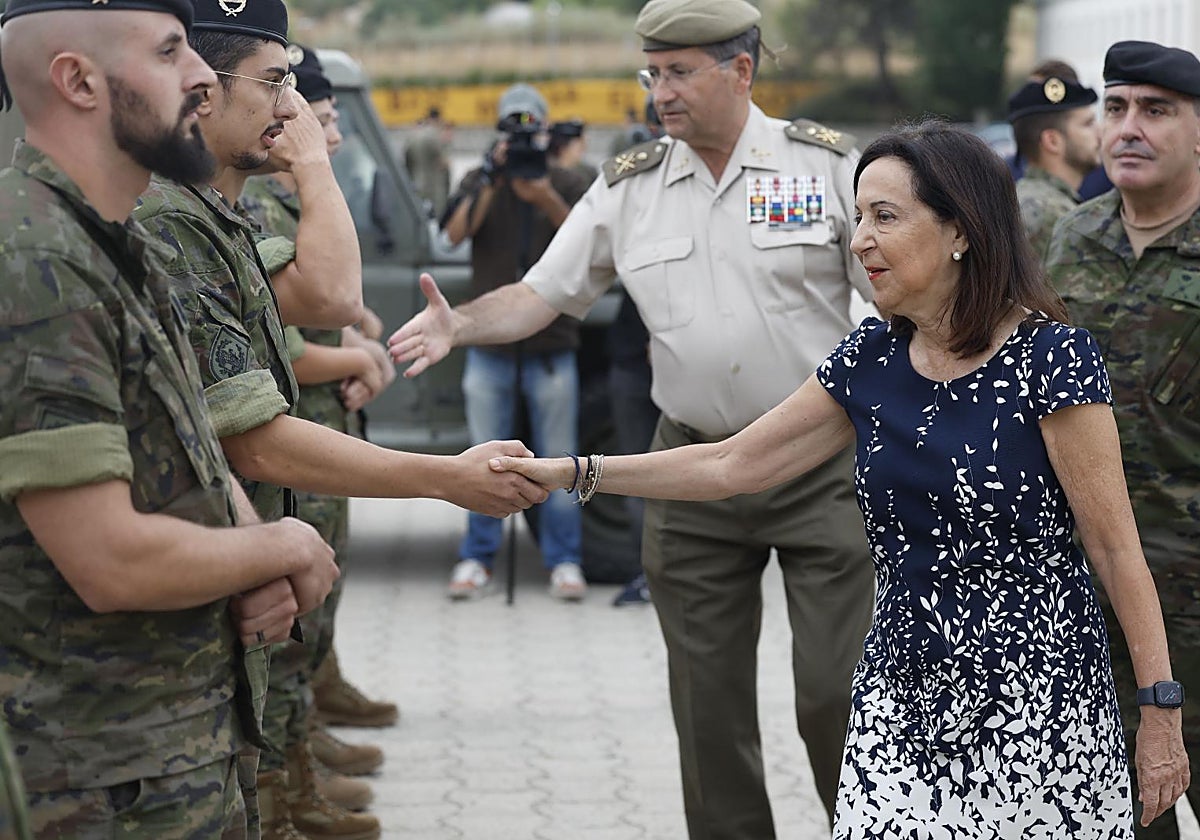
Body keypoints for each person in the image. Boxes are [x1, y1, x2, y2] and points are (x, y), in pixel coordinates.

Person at [493, 119, 1191, 838]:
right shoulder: (870, 360)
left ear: (961, 231)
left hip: (1039, 707)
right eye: (858, 217)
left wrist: (1158, 710)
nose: (858, 240)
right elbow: (731, 462)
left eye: (884, 218)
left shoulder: (1053, 360)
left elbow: (1113, 549)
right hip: (900, 704)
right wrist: (576, 472)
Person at [389, 0, 876, 833]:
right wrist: (460, 323)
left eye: (680, 72)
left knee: (840, 693)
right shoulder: (632, 189)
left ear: (742, 70)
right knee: (707, 711)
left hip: (817, 463)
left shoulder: (823, 169)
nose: (660, 92)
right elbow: (544, 293)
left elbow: (894, 299)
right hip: (687, 472)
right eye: (652, 73)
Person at [131, 3, 547, 837]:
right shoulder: (169, 219)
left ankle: (288, 796)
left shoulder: (210, 215)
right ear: (205, 91)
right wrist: (444, 478)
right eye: (278, 83)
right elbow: (255, 424)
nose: (292, 109)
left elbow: (324, 305)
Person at [0, 0, 341, 836]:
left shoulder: (112, 241)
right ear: (78, 80)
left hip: (171, 756)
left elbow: (194, 441)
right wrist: (281, 544)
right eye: (169, 53)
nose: (200, 79)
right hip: (97, 779)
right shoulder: (35, 262)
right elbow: (107, 558)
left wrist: (240, 545)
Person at [1044, 39, 1200, 839]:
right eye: (1115, 107)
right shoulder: (1070, 241)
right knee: (1120, 817)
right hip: (1097, 599)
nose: (1129, 127)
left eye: (1158, 110)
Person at [238, 41, 395, 818]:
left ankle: (295, 770)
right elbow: (301, 328)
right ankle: (285, 792)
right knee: (281, 636)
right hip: (283, 431)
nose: (322, 136)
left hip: (298, 429)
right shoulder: (255, 200)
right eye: (309, 113)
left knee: (304, 621)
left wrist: (356, 343)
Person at [438, 83, 592, 602]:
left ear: (547, 131)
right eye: (514, 128)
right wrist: (489, 176)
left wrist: (543, 194)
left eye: (532, 128)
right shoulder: (483, 180)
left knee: (560, 461)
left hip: (552, 347)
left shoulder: (571, 181)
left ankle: (565, 561)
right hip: (491, 347)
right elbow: (455, 234)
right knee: (483, 459)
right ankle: (477, 557)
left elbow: (592, 244)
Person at [1007, 73, 1099, 258]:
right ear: (1052, 141)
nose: (1100, 132)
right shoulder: (1050, 215)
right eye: (1088, 124)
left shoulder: (1034, 201)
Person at [404, 106, 452, 220]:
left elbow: (406, 162)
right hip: (433, 188)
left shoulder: (413, 136)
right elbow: (444, 163)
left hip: (417, 185)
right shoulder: (435, 136)